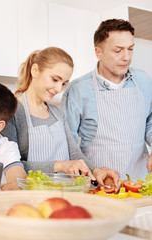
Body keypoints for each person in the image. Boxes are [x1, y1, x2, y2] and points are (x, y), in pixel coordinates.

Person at [1, 47, 120, 188]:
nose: (58, 89)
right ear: (35, 70)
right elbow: (10, 164)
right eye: (55, 79)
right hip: (31, 194)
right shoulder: (11, 112)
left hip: (64, 192)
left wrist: (97, 171)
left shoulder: (57, 113)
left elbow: (74, 154)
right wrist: (60, 165)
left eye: (63, 83)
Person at [61, 19, 152, 181]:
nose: (126, 57)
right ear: (98, 53)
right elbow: (68, 145)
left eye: (130, 49)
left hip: (139, 182)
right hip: (98, 184)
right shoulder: (78, 90)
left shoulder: (144, 80)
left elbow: (149, 123)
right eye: (118, 50)